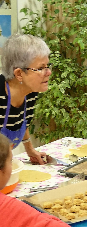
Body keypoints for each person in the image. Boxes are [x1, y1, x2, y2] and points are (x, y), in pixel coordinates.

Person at [0, 33, 52, 164]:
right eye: (40, 68)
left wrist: (30, 150)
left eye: (47, 66)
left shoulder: (30, 92)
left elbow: (22, 122)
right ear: (19, 74)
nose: (48, 72)